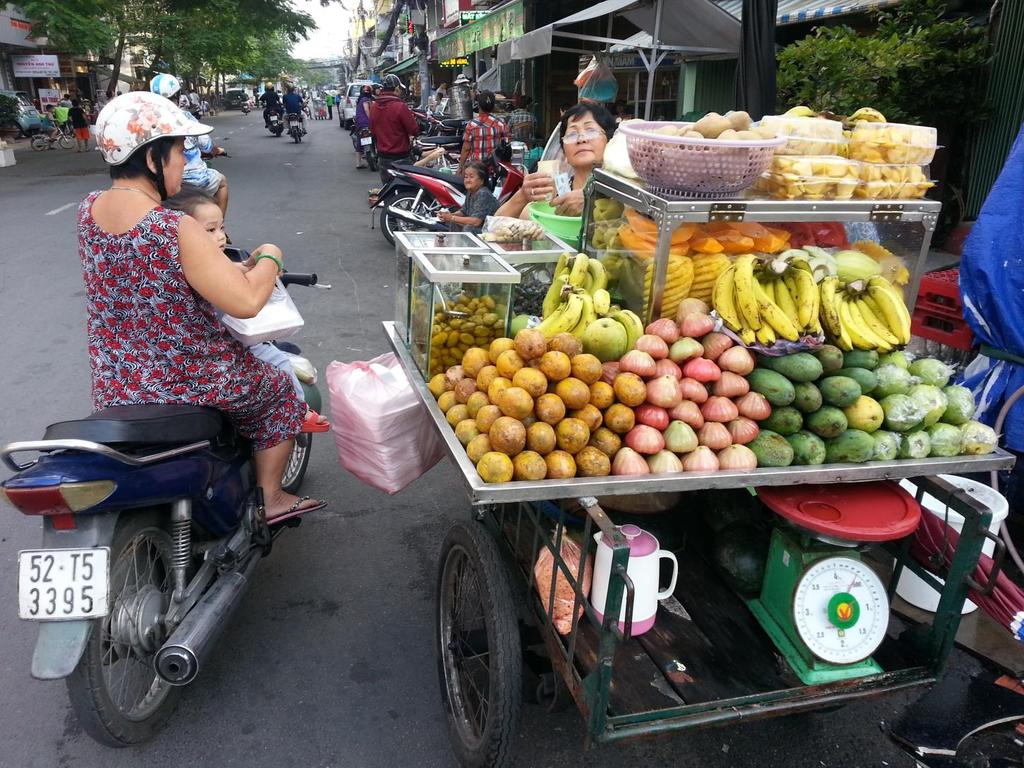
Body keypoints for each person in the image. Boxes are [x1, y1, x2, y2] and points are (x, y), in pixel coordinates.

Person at [86, 91, 325, 522]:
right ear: (153, 156)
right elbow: (247, 302)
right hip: (193, 375)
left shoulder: (89, 211)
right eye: (178, 150)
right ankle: (271, 498)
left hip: (117, 378)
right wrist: (270, 255)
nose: (184, 160)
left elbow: (150, 283)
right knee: (281, 391)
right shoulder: (173, 226)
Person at [163, 187, 330, 431]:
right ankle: (297, 412)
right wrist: (271, 257)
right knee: (278, 364)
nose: (220, 237)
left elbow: (238, 268)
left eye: (221, 228)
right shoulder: (206, 269)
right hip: (223, 350)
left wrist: (246, 266)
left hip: (182, 359)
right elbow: (247, 301)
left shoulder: (175, 263)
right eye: (210, 230)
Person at [497, 102, 616, 220]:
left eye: (590, 130)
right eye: (572, 134)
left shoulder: (623, 196)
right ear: (564, 151)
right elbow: (493, 226)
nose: (581, 139)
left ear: (610, 141)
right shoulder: (552, 199)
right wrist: (522, 196)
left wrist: (590, 198)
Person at [150, 73, 230, 216]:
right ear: (178, 94)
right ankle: (220, 225)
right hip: (194, 179)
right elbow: (206, 145)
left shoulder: (148, 120)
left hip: (157, 182)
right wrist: (215, 150)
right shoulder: (185, 117)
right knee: (222, 182)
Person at [369, 73, 418, 184]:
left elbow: (372, 130)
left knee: (388, 190)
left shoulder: (374, 106)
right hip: (401, 156)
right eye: (399, 89)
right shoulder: (399, 106)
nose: (400, 91)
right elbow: (414, 130)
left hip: (382, 156)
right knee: (406, 189)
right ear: (396, 88)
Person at [438, 161, 498, 234]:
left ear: (482, 180)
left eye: (471, 177)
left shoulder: (483, 193)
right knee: (454, 221)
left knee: (468, 228)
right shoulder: (471, 192)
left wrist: (451, 218)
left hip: (489, 230)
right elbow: (463, 211)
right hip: (478, 226)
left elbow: (476, 221)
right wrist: (447, 215)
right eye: (466, 177)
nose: (467, 180)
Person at [459, 90, 508, 173]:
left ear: (478, 106)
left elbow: (466, 149)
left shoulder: (471, 125)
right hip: (494, 168)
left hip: (476, 169)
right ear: (493, 106)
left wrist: (460, 167)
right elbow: (505, 144)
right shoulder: (501, 123)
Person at [352, 84, 374, 169]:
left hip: (359, 123)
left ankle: (358, 163)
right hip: (366, 123)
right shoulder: (365, 100)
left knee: (359, 142)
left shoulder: (360, 100)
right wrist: (371, 119)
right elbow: (366, 110)